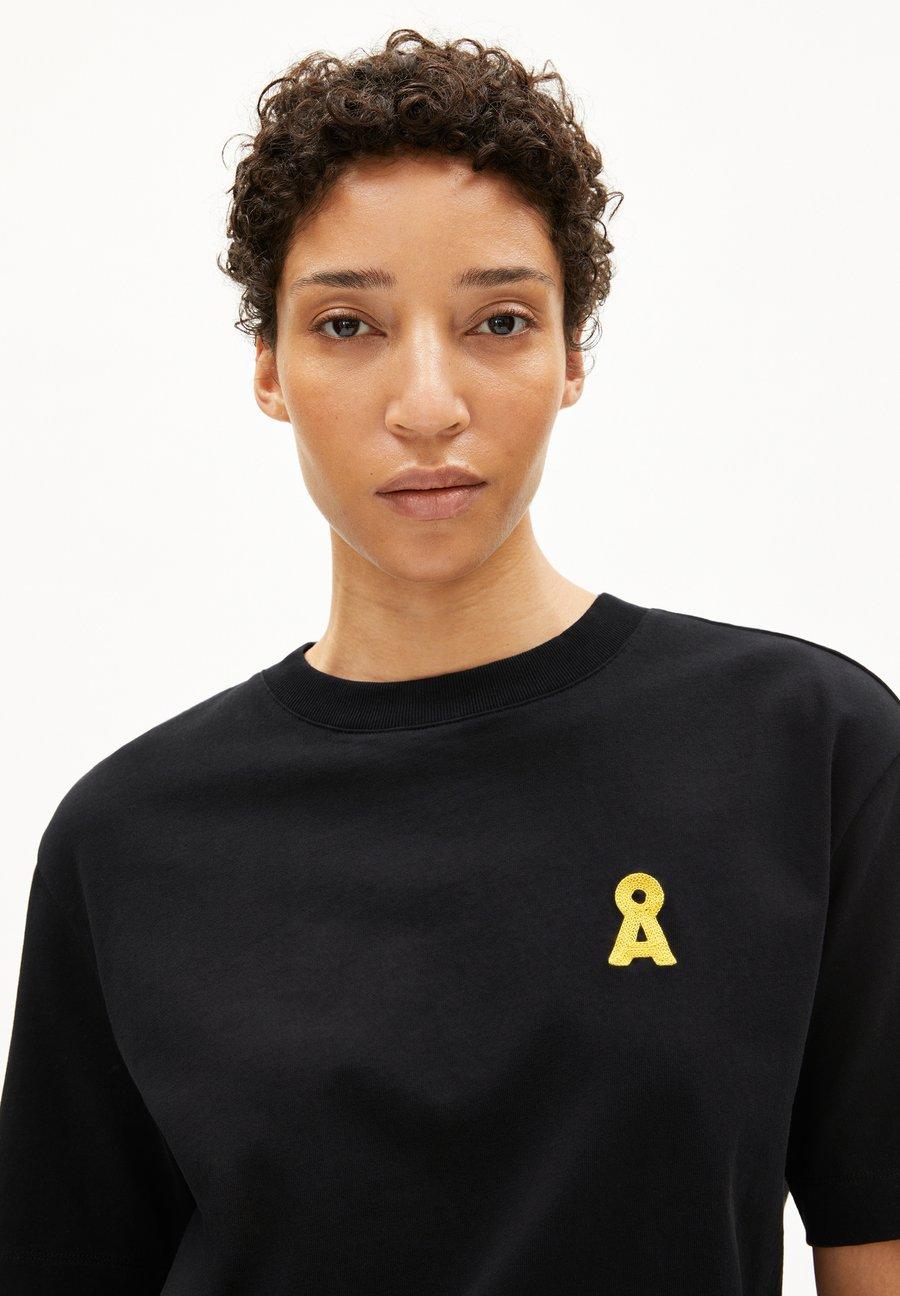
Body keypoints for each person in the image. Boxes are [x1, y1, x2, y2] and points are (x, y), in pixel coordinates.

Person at [0, 28, 897, 1296]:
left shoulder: (806, 751)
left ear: (572, 355)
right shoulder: (127, 841)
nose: (428, 404)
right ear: (270, 368)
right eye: (348, 324)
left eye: (500, 321)